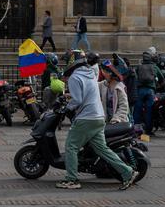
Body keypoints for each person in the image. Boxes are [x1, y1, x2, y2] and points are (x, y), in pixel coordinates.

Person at [56, 52, 139, 190]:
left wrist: (66, 108)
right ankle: (128, 172)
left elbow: (78, 100)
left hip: (86, 117)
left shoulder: (75, 77)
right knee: (102, 149)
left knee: (71, 147)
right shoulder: (91, 73)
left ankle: (72, 180)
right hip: (99, 117)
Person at [133, 49, 158, 135]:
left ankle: (136, 129)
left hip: (140, 90)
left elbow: (135, 75)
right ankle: (149, 130)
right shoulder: (154, 67)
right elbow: (161, 77)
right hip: (150, 91)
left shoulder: (139, 67)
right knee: (149, 110)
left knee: (138, 109)